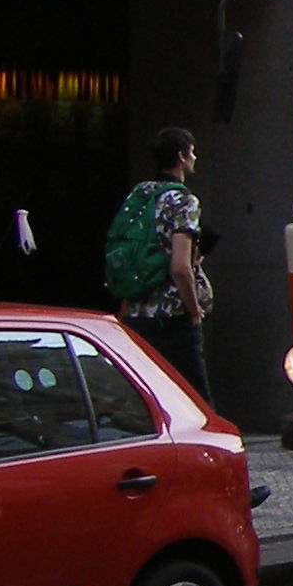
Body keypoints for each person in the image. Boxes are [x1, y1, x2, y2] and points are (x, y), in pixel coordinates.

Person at [112, 127, 213, 401]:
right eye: (192, 152)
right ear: (181, 157)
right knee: (195, 401)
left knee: (144, 398)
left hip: (135, 313)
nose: (195, 157)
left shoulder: (139, 194)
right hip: (171, 318)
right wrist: (194, 311)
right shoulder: (183, 200)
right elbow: (180, 267)